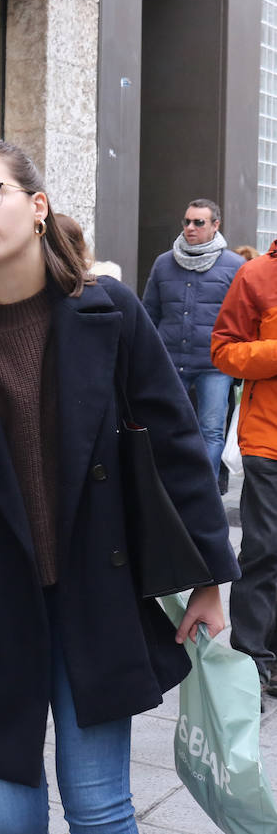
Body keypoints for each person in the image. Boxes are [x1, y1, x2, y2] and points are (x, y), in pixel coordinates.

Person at [0, 138, 238, 834]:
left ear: (37, 207)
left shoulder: (110, 312)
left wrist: (208, 579)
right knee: (7, 818)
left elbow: (177, 448)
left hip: (92, 594)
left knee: (100, 810)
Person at [212, 241, 277, 694]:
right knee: (264, 550)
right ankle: (253, 662)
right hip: (268, 442)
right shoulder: (255, 275)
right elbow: (223, 351)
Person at [142, 198, 244, 480]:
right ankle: (168, 494)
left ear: (215, 226)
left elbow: (242, 318)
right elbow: (149, 312)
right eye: (186, 221)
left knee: (210, 431)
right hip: (170, 362)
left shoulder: (235, 265)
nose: (190, 227)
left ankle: (206, 498)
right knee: (164, 427)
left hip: (214, 365)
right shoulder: (164, 263)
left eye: (198, 222)